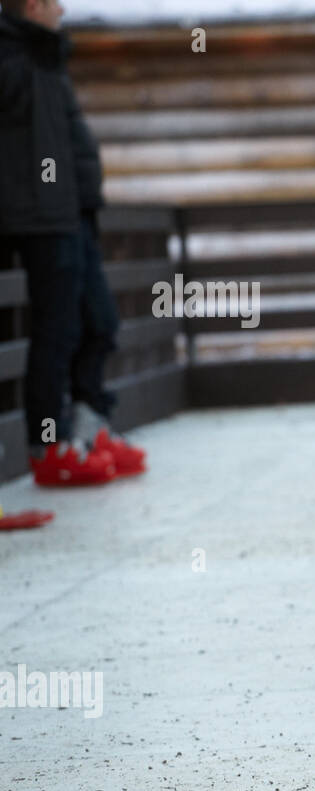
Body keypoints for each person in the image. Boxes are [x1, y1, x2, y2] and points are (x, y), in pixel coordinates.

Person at [0, 0, 145, 486]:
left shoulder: (47, 54)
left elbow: (65, 139)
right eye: (54, 1)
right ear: (33, 6)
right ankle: (50, 444)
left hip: (71, 210)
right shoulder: (16, 54)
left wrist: (84, 199)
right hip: (37, 214)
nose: (63, 9)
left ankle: (89, 425)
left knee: (98, 321)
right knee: (55, 333)